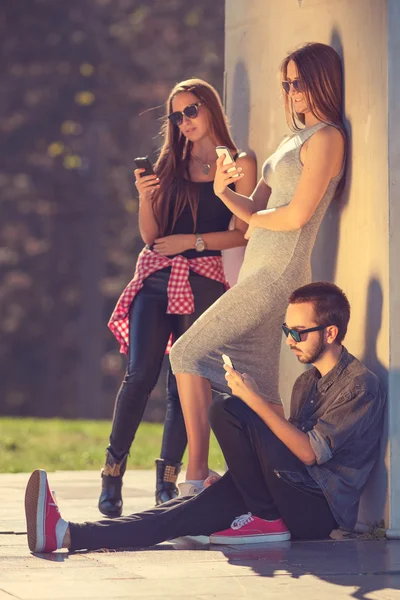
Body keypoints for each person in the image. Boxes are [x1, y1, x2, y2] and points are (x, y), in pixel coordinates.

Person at [25, 282, 386, 553]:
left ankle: (265, 521)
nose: (290, 340)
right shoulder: (308, 381)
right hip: (286, 492)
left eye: (298, 332)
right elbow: (285, 449)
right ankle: (65, 533)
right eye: (286, 330)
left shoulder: (360, 386)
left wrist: (254, 399)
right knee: (181, 512)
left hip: (317, 512)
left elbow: (308, 453)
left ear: (331, 332)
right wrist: (244, 476)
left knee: (230, 407)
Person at [169, 42, 347, 492]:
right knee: (261, 389)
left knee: (185, 353)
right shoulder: (294, 138)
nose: (291, 92)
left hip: (279, 273)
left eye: (299, 82)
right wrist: (223, 191)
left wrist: (246, 213)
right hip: (259, 268)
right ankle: (275, 489)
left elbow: (295, 217)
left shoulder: (327, 138)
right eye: (286, 83)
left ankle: (195, 476)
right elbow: (253, 217)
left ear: (322, 80)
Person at [99, 78, 256, 516]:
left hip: (204, 281)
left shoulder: (238, 161)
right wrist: (144, 199)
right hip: (156, 279)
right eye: (177, 114)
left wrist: (192, 240)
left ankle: (167, 482)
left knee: (182, 381)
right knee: (139, 375)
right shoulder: (170, 163)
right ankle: (113, 472)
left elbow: (240, 231)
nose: (184, 121)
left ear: (211, 109)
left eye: (191, 110)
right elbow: (151, 237)